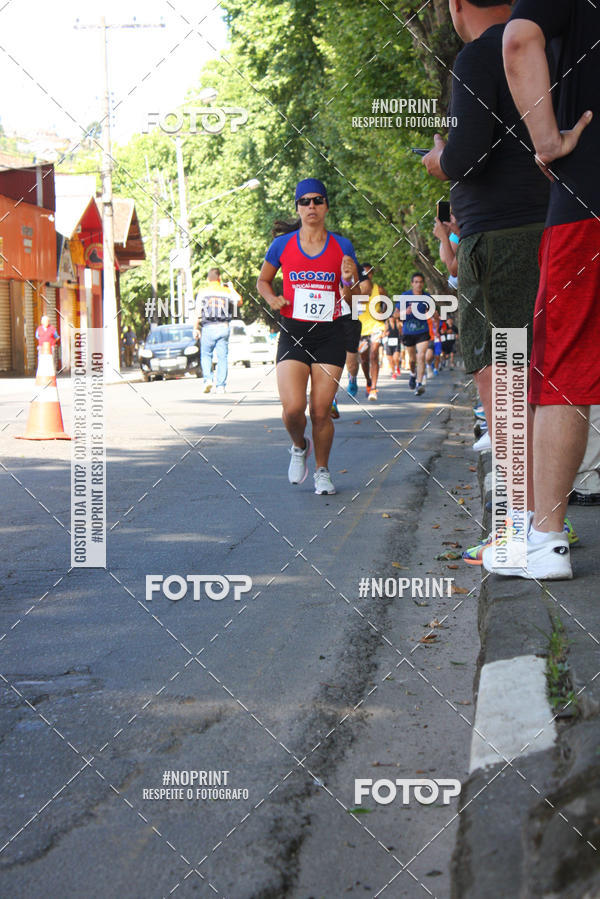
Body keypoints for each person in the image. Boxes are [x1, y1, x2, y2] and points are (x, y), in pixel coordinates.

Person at [480, 0, 599, 579]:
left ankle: (546, 539)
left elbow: (519, 41)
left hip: (588, 201)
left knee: (564, 365)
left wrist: (547, 140)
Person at [256, 178, 360, 495]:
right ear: (298, 208)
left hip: (330, 334)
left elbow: (354, 301)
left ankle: (323, 472)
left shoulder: (343, 246)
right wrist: (272, 298)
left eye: (317, 200)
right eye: (305, 201)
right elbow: (263, 281)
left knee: (320, 410)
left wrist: (347, 282)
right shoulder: (282, 245)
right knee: (292, 409)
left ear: (326, 206)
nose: (311, 206)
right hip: (294, 332)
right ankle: (299, 446)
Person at [193, 267, 240, 394]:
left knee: (206, 355)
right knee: (222, 357)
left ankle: (208, 380)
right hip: (223, 327)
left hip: (208, 327)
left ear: (208, 279)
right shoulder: (226, 291)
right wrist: (231, 287)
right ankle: (221, 386)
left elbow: (198, 311)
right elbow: (239, 301)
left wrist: (196, 328)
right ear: (219, 278)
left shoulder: (203, 292)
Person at [357, 263, 388, 402]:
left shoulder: (379, 289)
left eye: (369, 273)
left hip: (376, 326)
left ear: (372, 275)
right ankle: (368, 381)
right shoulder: (355, 290)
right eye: (364, 273)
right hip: (361, 329)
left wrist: (384, 316)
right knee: (364, 359)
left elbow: (387, 305)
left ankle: (374, 387)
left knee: (374, 354)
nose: (367, 276)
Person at [399, 272, 432, 396]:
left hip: (422, 331)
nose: (418, 284)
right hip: (408, 332)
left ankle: (419, 383)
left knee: (421, 356)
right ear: (412, 283)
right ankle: (412, 374)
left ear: (423, 283)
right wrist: (405, 312)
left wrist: (430, 315)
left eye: (420, 282)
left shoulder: (427, 297)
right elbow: (396, 314)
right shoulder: (405, 296)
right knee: (412, 360)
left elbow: (431, 312)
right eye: (416, 282)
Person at [384, 306, 402, 378]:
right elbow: (383, 334)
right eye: (390, 317)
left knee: (396, 358)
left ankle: (397, 367)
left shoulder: (398, 324)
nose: (391, 318)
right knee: (391, 360)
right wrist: (385, 334)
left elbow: (401, 332)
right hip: (389, 343)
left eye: (392, 316)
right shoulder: (386, 325)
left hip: (396, 343)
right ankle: (394, 373)